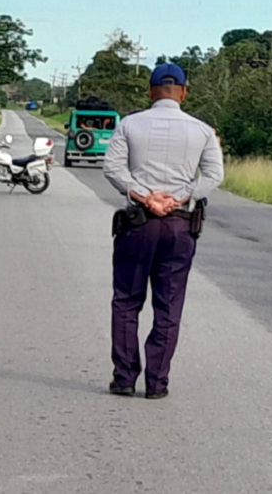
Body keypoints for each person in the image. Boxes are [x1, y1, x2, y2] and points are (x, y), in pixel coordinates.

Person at [102, 63, 224, 399]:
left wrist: (145, 196)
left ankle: (124, 378)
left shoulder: (130, 124)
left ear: (150, 90)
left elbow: (111, 167)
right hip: (179, 224)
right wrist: (180, 197)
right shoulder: (202, 131)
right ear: (184, 92)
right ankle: (157, 383)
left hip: (138, 224)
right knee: (169, 305)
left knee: (127, 300)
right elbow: (214, 175)